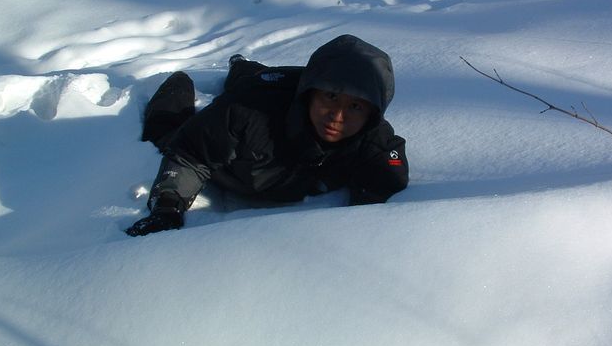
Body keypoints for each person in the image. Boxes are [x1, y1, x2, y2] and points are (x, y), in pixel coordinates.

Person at [125, 34, 409, 236]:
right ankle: (180, 80)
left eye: (355, 106)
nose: (337, 116)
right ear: (310, 95)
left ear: (372, 113)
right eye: (330, 97)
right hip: (237, 163)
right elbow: (188, 153)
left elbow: (388, 176)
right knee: (167, 132)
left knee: (263, 80)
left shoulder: (374, 139)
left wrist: (365, 215)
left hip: (276, 90)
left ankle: (241, 66)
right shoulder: (245, 113)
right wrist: (167, 207)